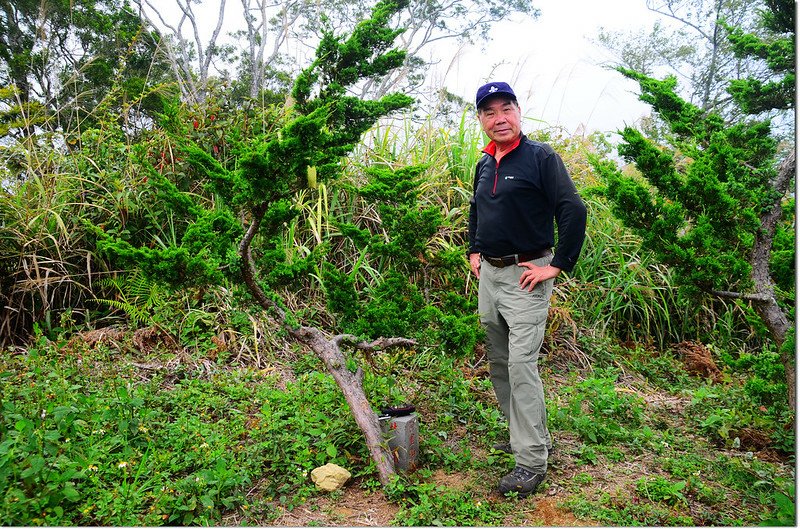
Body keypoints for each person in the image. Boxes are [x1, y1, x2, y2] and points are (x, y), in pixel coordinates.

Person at [467, 81, 587, 497]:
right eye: (489, 112)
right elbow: (477, 207)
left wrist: (555, 266)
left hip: (526, 275)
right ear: (481, 119)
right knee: (499, 361)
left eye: (506, 109)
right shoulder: (485, 161)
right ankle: (522, 435)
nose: (499, 118)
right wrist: (474, 249)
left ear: (519, 111)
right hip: (491, 276)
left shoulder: (540, 157)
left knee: (521, 366)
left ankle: (531, 460)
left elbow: (573, 209)